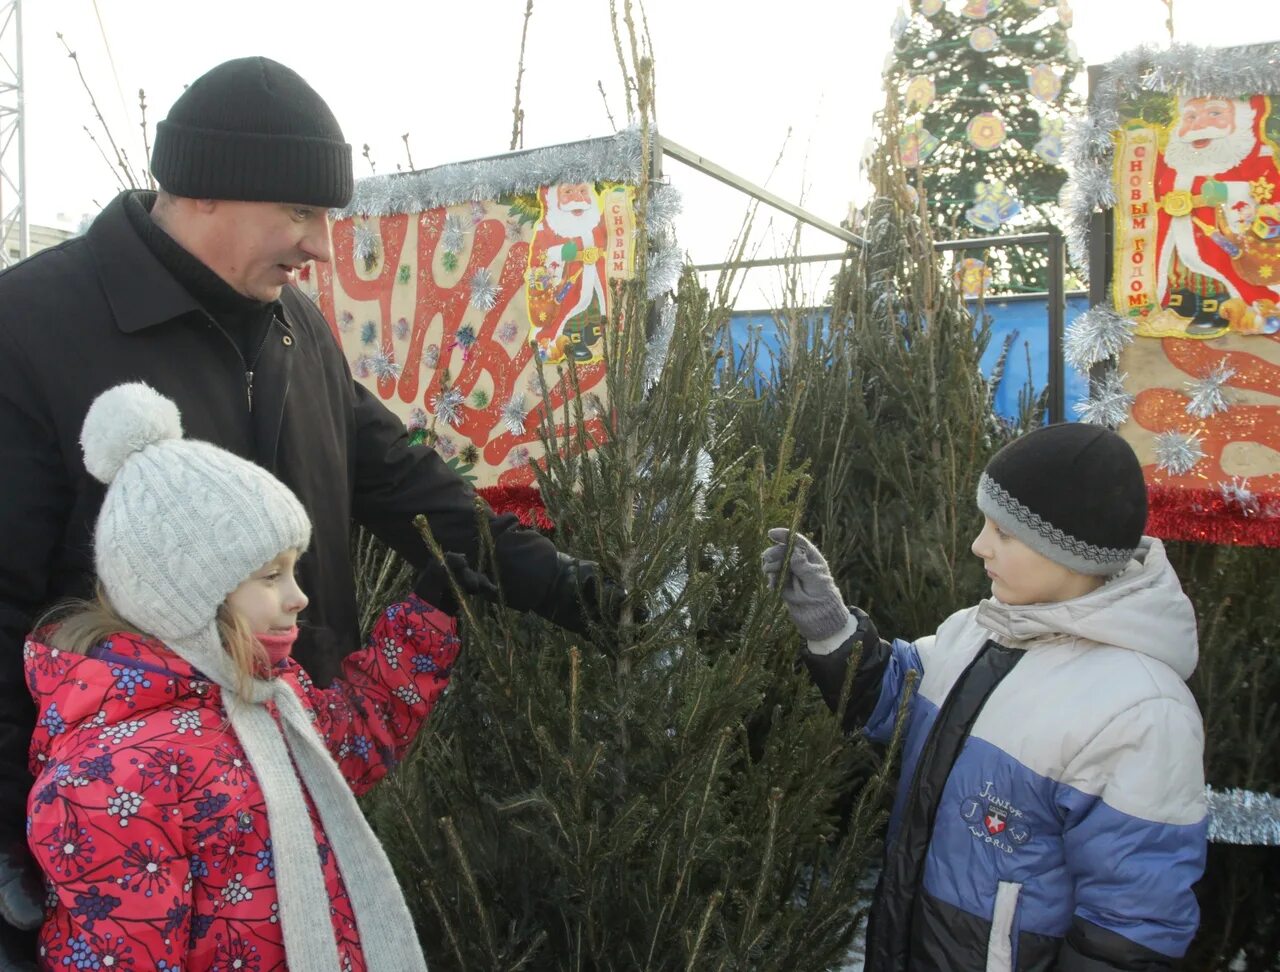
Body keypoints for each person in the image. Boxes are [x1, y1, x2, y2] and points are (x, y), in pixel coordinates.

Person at [0, 56, 626, 966]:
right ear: (207, 190)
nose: (320, 248)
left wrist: (558, 586)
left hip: (293, 783)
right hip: (119, 836)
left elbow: (406, 485)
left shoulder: (296, 332)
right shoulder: (33, 326)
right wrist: (11, 839)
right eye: (298, 213)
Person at [27, 382, 460, 970]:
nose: (298, 597)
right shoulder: (109, 781)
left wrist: (425, 623)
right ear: (185, 594)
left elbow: (355, 740)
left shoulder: (265, 696)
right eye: (269, 576)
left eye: (293, 570)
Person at [763, 423, 1207, 972]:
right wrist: (829, 628)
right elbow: (895, 702)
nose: (979, 545)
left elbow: (1130, 931)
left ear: (1070, 552)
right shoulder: (980, 631)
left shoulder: (1139, 711)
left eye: (1004, 532)